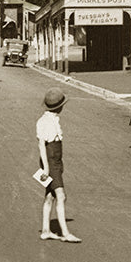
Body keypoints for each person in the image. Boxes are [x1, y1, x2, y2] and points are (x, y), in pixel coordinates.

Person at [37, 89, 80, 243]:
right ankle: (66, 233)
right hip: (50, 162)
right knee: (61, 196)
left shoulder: (52, 119)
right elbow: (42, 145)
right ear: (58, 107)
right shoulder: (44, 122)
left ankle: (46, 230)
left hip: (55, 161)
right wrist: (47, 169)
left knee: (50, 195)